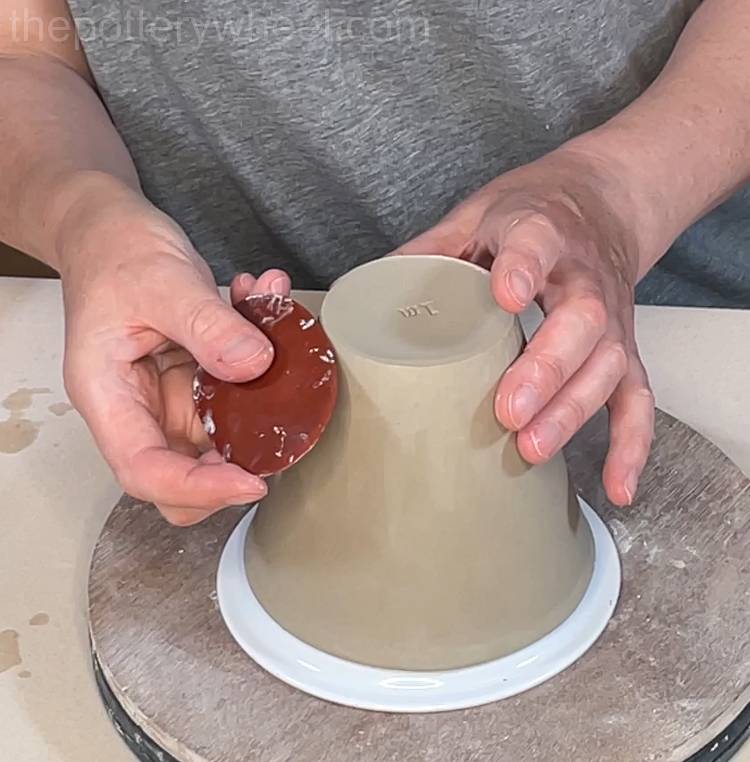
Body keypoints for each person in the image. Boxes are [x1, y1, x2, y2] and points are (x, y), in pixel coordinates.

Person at [1, 0, 748, 525]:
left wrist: (615, 196)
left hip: (671, 326)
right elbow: (24, 51)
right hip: (215, 353)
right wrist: (81, 212)